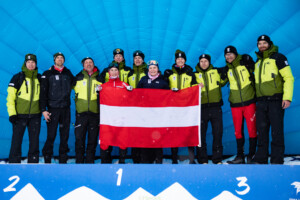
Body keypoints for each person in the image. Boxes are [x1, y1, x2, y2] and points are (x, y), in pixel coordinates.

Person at [252, 35, 294, 164]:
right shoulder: (258, 62)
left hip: (275, 100)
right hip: (261, 102)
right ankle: (261, 158)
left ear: (270, 44)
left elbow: (289, 78)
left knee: (276, 131)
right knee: (262, 131)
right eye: (260, 43)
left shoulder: (278, 58)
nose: (262, 45)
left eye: (264, 43)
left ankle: (277, 159)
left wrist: (287, 98)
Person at [223, 46, 258, 164]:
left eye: (231, 54)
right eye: (226, 55)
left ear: (236, 54)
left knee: (252, 129)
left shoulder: (245, 63)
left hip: (249, 102)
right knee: (238, 131)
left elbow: (256, 70)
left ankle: (252, 155)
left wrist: (250, 61)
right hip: (235, 104)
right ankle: (240, 156)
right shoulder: (227, 70)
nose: (229, 56)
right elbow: (221, 83)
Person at [40, 52, 75, 164]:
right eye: (58, 58)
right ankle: (47, 158)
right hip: (52, 109)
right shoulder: (48, 73)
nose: (60, 59)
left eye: (62, 58)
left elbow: (76, 83)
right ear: (54, 60)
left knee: (64, 135)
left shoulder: (68, 72)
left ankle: (63, 159)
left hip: (65, 109)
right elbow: (43, 93)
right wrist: (43, 110)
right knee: (51, 135)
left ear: (64, 60)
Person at [164, 49, 197, 164]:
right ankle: (174, 159)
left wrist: (198, 87)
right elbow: (165, 90)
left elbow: (194, 89)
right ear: (175, 60)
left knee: (189, 132)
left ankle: (192, 158)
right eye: (178, 59)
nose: (180, 61)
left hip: (187, 107)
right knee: (174, 133)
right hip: (174, 108)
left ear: (185, 60)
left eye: (182, 59)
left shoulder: (190, 73)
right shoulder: (170, 73)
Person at [7, 54, 41, 163]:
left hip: (35, 116)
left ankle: (33, 165)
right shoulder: (17, 77)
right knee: (16, 142)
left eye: (33, 62)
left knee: (34, 143)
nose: (31, 65)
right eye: (29, 62)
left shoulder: (39, 78)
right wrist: (12, 114)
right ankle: (14, 164)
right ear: (25, 63)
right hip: (19, 116)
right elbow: (10, 97)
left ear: (36, 64)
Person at [194, 54, 226, 164]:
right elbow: (188, 89)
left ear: (209, 62)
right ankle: (202, 159)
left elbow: (224, 80)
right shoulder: (194, 75)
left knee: (217, 133)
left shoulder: (216, 72)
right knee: (201, 135)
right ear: (199, 62)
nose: (203, 63)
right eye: (201, 61)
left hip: (215, 108)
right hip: (201, 109)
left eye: (206, 61)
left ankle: (217, 159)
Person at [99, 63, 133, 164]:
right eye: (112, 70)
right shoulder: (103, 86)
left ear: (119, 72)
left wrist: (131, 92)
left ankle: (122, 161)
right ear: (108, 72)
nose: (114, 72)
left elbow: (131, 100)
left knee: (122, 139)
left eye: (115, 70)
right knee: (105, 138)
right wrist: (97, 92)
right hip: (108, 119)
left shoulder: (124, 85)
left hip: (121, 118)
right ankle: (104, 162)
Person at [137, 60, 169, 164]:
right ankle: (145, 160)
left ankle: (158, 159)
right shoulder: (143, 80)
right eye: (150, 68)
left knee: (157, 137)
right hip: (145, 115)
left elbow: (168, 97)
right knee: (145, 137)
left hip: (158, 115)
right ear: (148, 69)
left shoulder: (163, 81)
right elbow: (137, 95)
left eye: (154, 68)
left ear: (158, 69)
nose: (152, 70)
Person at [73, 57, 102, 163]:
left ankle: (90, 162)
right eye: (86, 63)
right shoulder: (78, 77)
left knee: (92, 140)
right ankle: (79, 162)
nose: (88, 64)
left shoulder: (100, 78)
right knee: (79, 139)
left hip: (95, 114)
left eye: (90, 62)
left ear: (93, 64)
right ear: (83, 65)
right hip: (81, 114)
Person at [128, 50, 148, 163]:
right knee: (134, 133)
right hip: (132, 108)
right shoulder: (130, 73)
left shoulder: (147, 72)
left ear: (143, 60)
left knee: (144, 133)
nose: (137, 60)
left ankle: (145, 157)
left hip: (145, 108)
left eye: (139, 58)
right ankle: (135, 157)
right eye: (136, 58)